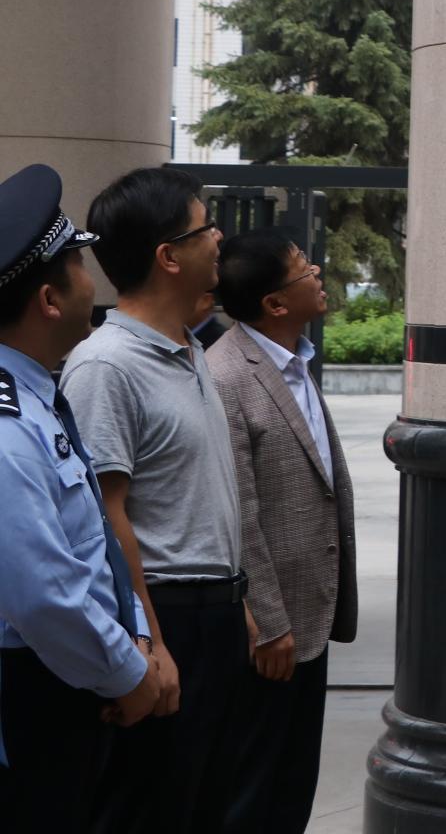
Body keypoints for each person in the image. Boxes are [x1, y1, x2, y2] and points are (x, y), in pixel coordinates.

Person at [63, 167, 248, 834]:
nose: (220, 237)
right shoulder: (107, 366)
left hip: (217, 618)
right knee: (151, 810)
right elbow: (108, 518)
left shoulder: (191, 350)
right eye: (206, 228)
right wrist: (151, 641)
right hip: (170, 618)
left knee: (206, 807)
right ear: (168, 256)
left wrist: (242, 605)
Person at [0, 165, 165, 825]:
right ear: (48, 298)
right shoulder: (9, 430)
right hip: (34, 690)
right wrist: (128, 671)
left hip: (63, 674)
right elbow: (44, 593)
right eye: (78, 263)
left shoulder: (38, 397)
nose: (91, 285)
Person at [208, 230, 357, 833]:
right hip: (271, 632)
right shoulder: (226, 376)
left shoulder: (294, 363)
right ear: (274, 303)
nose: (317, 271)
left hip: (309, 619)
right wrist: (268, 624)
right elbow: (236, 510)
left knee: (292, 786)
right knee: (253, 792)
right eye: (303, 270)